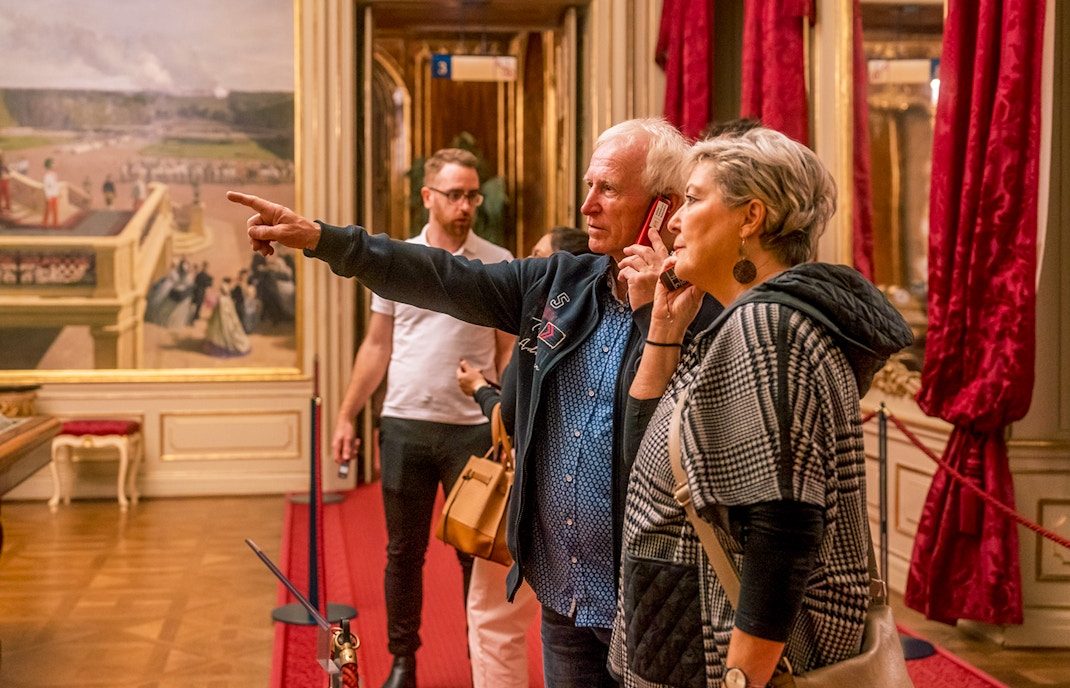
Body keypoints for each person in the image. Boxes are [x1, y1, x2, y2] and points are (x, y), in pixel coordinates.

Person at [228, 117, 723, 687]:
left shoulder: (700, 308)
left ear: (662, 206)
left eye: (607, 189)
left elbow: (681, 431)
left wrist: (650, 314)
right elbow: (442, 276)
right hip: (564, 591)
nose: (586, 205)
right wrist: (321, 238)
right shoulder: (557, 281)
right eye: (589, 185)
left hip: (648, 596)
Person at [606, 127, 914, 687]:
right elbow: (644, 469)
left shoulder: (768, 329)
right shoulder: (742, 322)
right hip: (684, 632)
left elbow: (782, 532)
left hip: (721, 654)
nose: (673, 219)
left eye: (694, 198)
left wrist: (743, 680)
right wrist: (664, 332)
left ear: (751, 218)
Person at [302, 148, 516, 688]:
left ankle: (478, 657)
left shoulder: (497, 258)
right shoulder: (397, 260)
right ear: (428, 196)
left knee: (476, 554)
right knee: (403, 552)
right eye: (454, 194)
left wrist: (507, 413)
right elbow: (377, 347)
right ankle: (404, 659)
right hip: (404, 422)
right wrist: (349, 414)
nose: (466, 204)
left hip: (473, 430)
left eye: (473, 194)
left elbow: (508, 350)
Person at [456, 225, 592, 688]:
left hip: (533, 494)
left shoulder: (542, 321)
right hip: (590, 506)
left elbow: (513, 415)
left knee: (495, 619)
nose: (528, 265)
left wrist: (479, 391)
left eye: (538, 257)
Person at [42, 158, 60, 227]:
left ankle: (55, 223)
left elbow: (56, 184)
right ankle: (45, 222)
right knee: (48, 210)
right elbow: (46, 187)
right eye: (53, 164)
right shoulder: (46, 176)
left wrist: (57, 192)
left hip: (55, 194)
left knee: (55, 210)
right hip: (50, 195)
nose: (54, 165)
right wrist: (48, 196)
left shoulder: (54, 174)